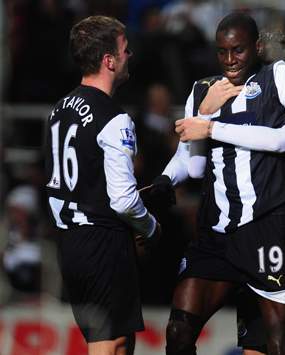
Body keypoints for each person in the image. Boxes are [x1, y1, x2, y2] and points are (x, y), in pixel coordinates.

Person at [156, 12, 285, 355]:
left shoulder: (279, 75)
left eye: (238, 50)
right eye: (222, 52)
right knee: (178, 331)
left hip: (265, 226)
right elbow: (191, 163)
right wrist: (164, 179)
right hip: (216, 230)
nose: (230, 60)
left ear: (257, 47)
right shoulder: (203, 90)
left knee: (278, 337)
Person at [44, 16, 160, 355]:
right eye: (125, 50)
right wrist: (151, 228)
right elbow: (123, 200)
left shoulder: (59, 109)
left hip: (70, 242)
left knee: (119, 342)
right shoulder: (114, 117)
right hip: (103, 243)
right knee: (109, 345)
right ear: (109, 61)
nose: (130, 56)